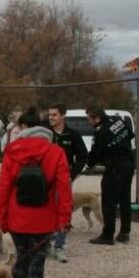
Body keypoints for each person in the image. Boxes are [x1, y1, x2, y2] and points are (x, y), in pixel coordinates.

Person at [0, 107, 72, 278]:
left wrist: (2, 219)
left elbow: (3, 189)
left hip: (17, 217)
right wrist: (64, 220)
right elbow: (64, 190)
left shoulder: (12, 150)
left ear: (24, 128)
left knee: (21, 258)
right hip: (43, 219)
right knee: (37, 263)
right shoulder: (56, 152)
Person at [85, 106, 135, 245]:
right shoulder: (118, 121)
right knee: (125, 199)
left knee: (108, 201)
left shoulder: (101, 132)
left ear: (97, 118)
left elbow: (95, 154)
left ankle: (108, 235)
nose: (88, 122)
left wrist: (87, 165)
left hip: (114, 168)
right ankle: (125, 232)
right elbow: (131, 135)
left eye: (89, 119)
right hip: (129, 164)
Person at [46, 103, 88, 263]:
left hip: (64, 180)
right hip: (46, 180)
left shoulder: (73, 135)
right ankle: (46, 244)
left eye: (54, 115)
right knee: (46, 211)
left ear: (63, 116)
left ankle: (60, 246)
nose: (51, 117)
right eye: (50, 115)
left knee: (63, 212)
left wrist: (72, 175)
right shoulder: (46, 134)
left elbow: (83, 156)